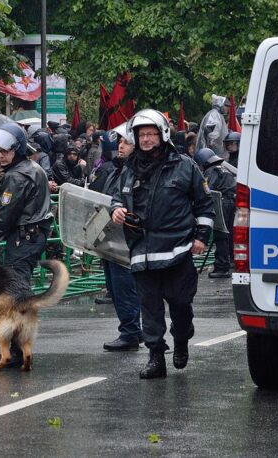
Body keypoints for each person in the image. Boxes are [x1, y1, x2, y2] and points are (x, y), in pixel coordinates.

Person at [110, 109, 215, 379]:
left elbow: (205, 204)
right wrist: (116, 209)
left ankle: (181, 339)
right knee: (150, 308)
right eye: (141, 135)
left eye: (151, 134)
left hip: (178, 250)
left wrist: (201, 237)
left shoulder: (185, 165)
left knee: (180, 303)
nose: (145, 139)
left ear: (162, 135)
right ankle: (156, 357)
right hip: (142, 252)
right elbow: (116, 198)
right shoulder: (129, 168)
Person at [0, 122, 53, 368]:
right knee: (19, 292)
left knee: (15, 296)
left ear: (17, 149)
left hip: (22, 238)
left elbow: (4, 217)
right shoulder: (34, 168)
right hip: (32, 236)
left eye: (5, 151)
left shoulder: (16, 176)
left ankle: (16, 352)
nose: (1, 155)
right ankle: (19, 351)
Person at [92, 125, 143, 350]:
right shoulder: (116, 169)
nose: (121, 146)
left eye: (127, 142)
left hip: (126, 240)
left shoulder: (137, 171)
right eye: (120, 141)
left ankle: (131, 332)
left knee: (124, 288)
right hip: (111, 238)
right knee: (115, 288)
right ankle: (134, 329)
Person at [194, 148, 236, 279]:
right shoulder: (224, 168)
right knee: (229, 233)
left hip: (221, 202)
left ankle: (222, 267)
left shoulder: (211, 171)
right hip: (231, 202)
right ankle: (230, 261)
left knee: (220, 234)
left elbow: (208, 190)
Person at [196, 94, 230, 159]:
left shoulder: (218, 115)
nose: (228, 109)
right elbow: (212, 138)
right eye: (226, 106)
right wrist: (215, 153)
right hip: (212, 155)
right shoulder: (214, 115)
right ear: (220, 104)